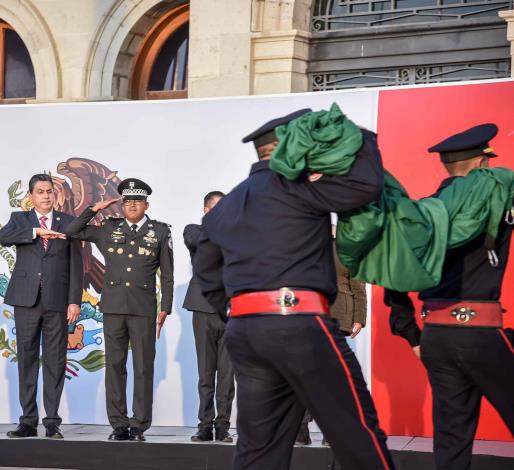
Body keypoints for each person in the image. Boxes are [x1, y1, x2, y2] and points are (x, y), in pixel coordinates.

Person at [194, 109, 395, 469]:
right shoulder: (299, 187)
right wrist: (361, 136)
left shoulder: (226, 206)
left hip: (245, 331)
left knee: (259, 449)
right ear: (292, 146)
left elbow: (206, 271)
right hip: (300, 325)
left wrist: (240, 309)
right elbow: (367, 186)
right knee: (356, 432)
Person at [387, 124, 514, 470]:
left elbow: (393, 271)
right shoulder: (497, 197)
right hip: (481, 332)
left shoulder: (424, 214)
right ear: (482, 164)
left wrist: (410, 333)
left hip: (437, 336)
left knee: (451, 440)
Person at [63, 178, 173, 442]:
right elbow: (72, 231)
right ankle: (119, 424)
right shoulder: (107, 228)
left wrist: (165, 307)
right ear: (122, 205)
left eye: (137, 201)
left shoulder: (159, 231)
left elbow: (167, 274)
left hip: (144, 307)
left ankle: (139, 425)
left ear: (146, 204)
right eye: (127, 201)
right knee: (114, 365)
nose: (132, 205)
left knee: (144, 367)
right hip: (113, 307)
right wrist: (95, 208)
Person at [0, 174, 83, 440]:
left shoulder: (68, 222)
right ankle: (27, 421)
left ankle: (52, 422)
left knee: (56, 361)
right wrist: (36, 232)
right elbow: (3, 236)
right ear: (31, 196)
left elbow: (76, 263)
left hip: (57, 301)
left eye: (50, 191)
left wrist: (74, 300)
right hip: (26, 300)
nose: (46, 196)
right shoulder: (19, 220)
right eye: (41, 192)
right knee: (27, 360)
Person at [297, 216, 367, 446]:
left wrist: (360, 317)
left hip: (339, 316)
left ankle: (331, 432)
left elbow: (358, 283)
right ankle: (302, 431)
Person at [183, 190, 234, 443]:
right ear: (206, 211)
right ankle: (204, 425)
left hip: (231, 311)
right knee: (206, 372)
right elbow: (198, 241)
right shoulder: (194, 230)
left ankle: (223, 425)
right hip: (203, 307)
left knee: (227, 374)